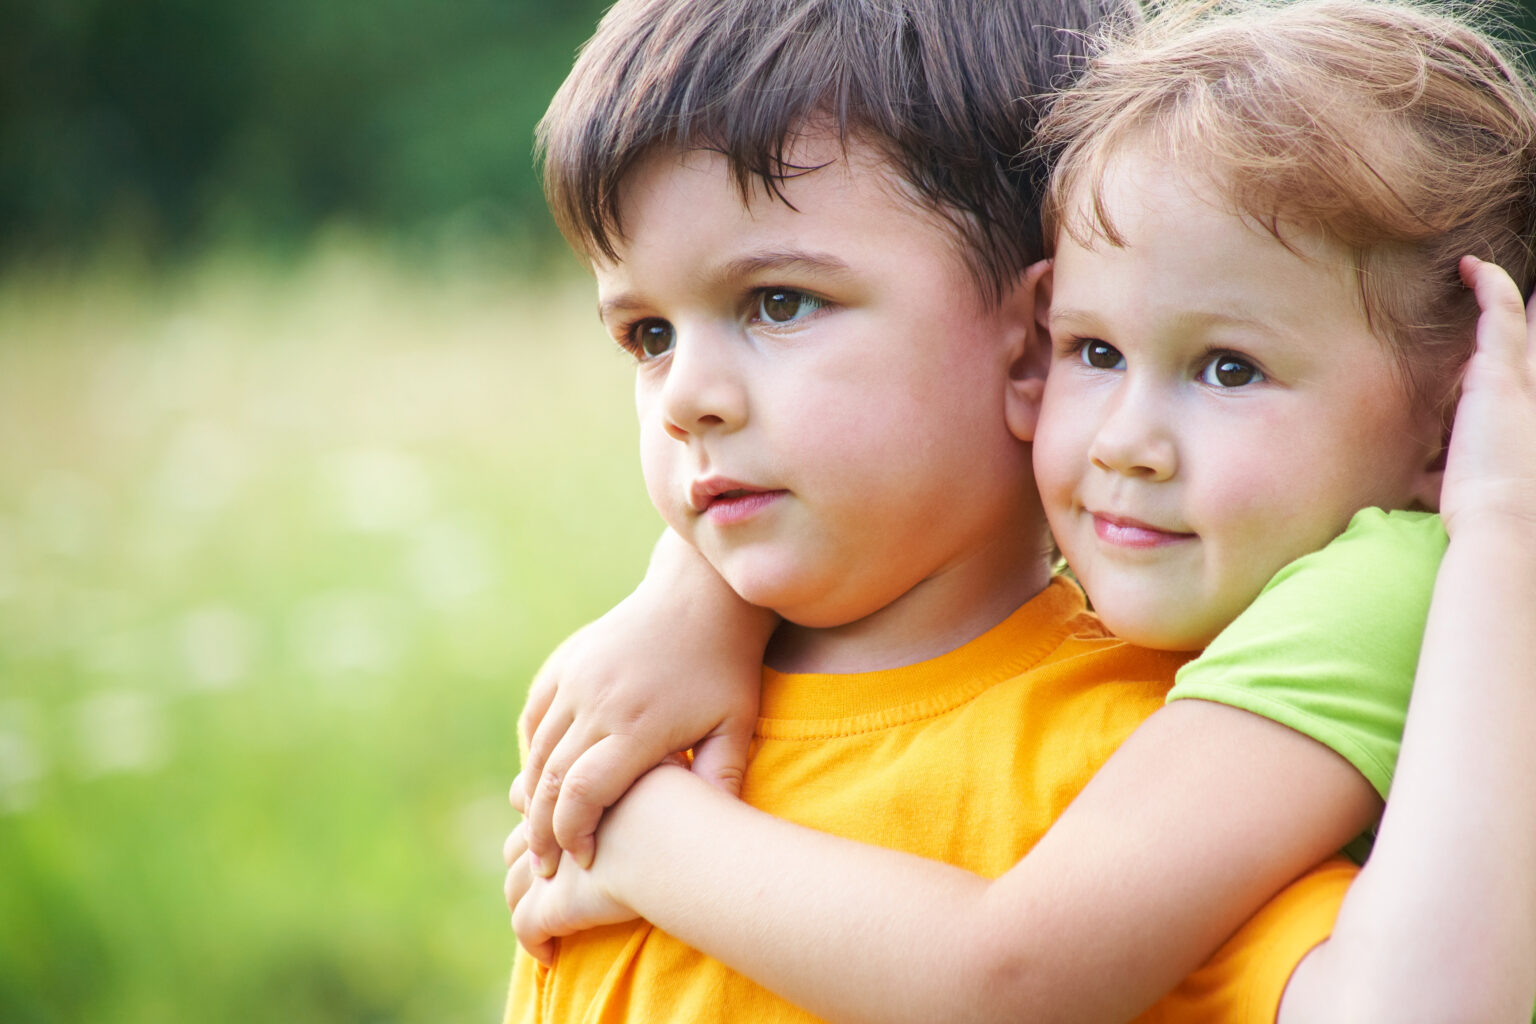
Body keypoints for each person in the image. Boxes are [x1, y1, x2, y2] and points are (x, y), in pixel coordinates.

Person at [504, 0, 1536, 1021]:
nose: (684, 395)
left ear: (1024, 342)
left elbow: (1015, 976)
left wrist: (633, 826)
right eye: (646, 336)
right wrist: (689, 594)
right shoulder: (641, 715)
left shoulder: (1132, 771)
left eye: (781, 300)